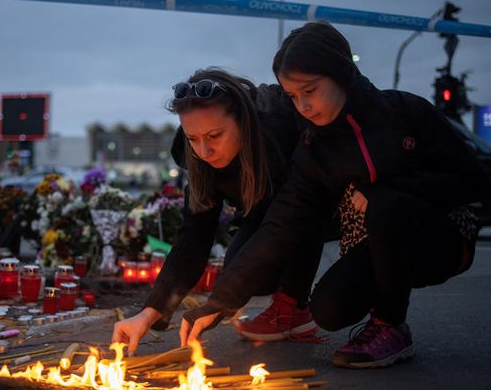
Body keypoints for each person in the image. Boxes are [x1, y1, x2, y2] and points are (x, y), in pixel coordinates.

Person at [180, 21, 491, 368]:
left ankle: (391, 325)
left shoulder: (406, 112)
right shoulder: (315, 151)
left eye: (310, 91)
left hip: (442, 240)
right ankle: (371, 304)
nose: (303, 107)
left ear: (340, 72)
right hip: (375, 248)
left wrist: (393, 191)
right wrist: (219, 303)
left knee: (384, 205)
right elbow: (283, 223)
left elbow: (474, 181)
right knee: (328, 310)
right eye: (293, 96)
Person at [112, 68, 325, 355]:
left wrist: (220, 303)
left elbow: (287, 223)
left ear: (243, 122)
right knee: (239, 267)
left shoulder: (279, 132)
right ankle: (286, 305)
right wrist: (150, 311)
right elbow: (193, 239)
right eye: (193, 138)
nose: (204, 151)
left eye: (214, 136)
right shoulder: (200, 159)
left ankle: (293, 306)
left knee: (328, 304)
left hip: (323, 204)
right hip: (267, 214)